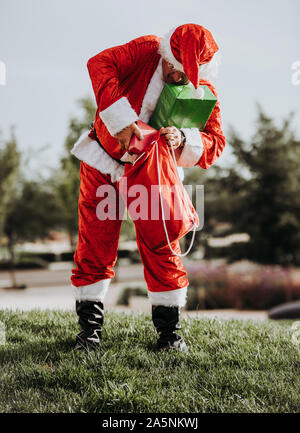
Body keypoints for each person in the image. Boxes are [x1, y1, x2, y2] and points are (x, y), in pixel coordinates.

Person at [70, 23, 225, 352]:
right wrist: (122, 122)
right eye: (174, 67)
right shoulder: (146, 48)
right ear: (166, 55)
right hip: (104, 161)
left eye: (185, 73)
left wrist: (182, 139)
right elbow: (98, 63)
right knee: (96, 241)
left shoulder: (204, 90)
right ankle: (90, 332)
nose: (177, 76)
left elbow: (216, 143)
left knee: (163, 243)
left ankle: (170, 335)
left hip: (155, 171)